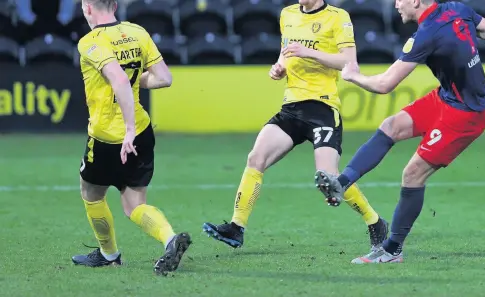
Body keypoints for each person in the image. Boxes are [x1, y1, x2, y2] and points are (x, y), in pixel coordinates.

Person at [315, 0, 485, 264]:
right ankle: (341, 184)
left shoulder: (426, 34)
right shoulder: (458, 8)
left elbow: (385, 84)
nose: (396, 4)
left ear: (415, 1)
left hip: (466, 115)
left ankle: (392, 250)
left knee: (412, 174)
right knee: (391, 126)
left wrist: (353, 76)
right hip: (446, 99)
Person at [202, 0, 389, 256]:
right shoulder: (287, 14)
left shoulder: (337, 17)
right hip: (291, 108)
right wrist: (279, 67)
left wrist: (308, 52)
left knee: (329, 177)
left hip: (323, 108)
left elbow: (348, 61)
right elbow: (286, 51)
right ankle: (237, 227)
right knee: (256, 158)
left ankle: (375, 221)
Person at [72, 0, 191, 275]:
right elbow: (164, 78)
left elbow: (120, 79)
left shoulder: (91, 42)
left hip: (109, 137)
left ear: (87, 7)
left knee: (91, 192)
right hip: (142, 130)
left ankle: (109, 254)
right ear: (114, 5)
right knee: (135, 205)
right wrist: (132, 126)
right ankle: (170, 239)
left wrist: (126, 130)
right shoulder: (137, 32)